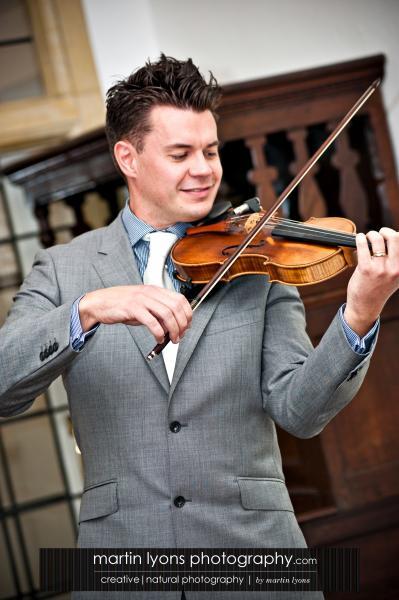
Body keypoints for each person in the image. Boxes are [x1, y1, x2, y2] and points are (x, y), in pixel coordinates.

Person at [0, 54, 398, 600]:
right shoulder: (63, 269)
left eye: (210, 150)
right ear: (129, 157)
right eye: (180, 153)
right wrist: (86, 310)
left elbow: (300, 411)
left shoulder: (258, 256)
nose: (205, 168)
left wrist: (360, 313)